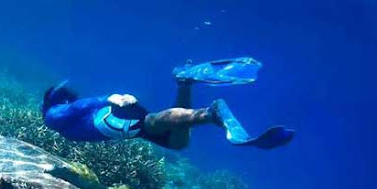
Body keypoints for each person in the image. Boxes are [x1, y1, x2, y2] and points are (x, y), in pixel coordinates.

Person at [41, 58, 295, 150]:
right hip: (110, 122)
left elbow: (72, 109)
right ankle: (184, 83)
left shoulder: (51, 114)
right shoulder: (63, 114)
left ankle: (210, 113)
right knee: (177, 142)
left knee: (152, 122)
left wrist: (107, 99)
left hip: (107, 119)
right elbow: (75, 108)